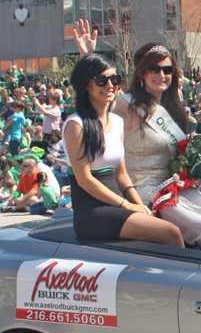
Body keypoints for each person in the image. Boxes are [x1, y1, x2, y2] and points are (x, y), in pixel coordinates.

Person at [74, 19, 201, 261]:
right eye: (154, 69)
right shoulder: (126, 104)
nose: (161, 75)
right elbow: (96, 101)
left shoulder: (167, 107)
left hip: (173, 185)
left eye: (167, 70)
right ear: (142, 73)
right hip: (145, 190)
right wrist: (88, 57)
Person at [63, 53, 184, 247]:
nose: (110, 86)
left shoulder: (117, 122)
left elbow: (122, 176)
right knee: (171, 233)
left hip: (118, 203)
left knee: (167, 225)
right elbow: (85, 180)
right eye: (101, 80)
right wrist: (127, 206)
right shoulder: (76, 125)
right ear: (86, 84)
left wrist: (141, 206)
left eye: (115, 79)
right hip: (92, 212)